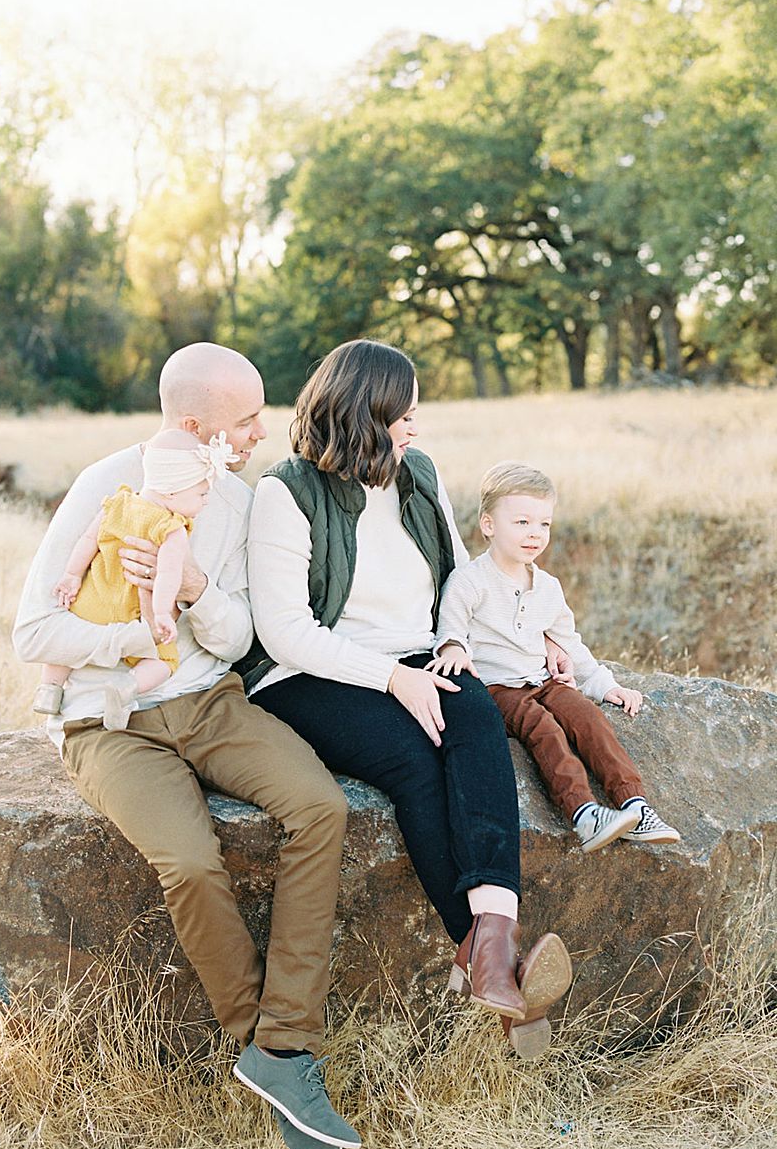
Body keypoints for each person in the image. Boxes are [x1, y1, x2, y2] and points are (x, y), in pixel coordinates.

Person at [15, 343, 361, 1149]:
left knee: (321, 806)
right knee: (192, 860)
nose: (261, 431)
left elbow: (239, 636)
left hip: (211, 703)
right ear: (196, 425)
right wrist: (140, 635)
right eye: (247, 420)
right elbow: (35, 629)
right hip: (111, 719)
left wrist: (198, 589)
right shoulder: (105, 484)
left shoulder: (237, 499)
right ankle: (265, 1042)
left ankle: (282, 1045)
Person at [241, 338, 571, 1061]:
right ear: (366, 411)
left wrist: (530, 633)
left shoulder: (417, 473)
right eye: (406, 412)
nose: (416, 427)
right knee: (413, 760)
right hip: (309, 673)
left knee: (476, 715)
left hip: (418, 652)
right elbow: (285, 630)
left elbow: (462, 577)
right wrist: (393, 678)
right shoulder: (286, 491)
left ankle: (491, 948)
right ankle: (499, 969)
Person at [430, 461, 681, 853]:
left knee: (587, 716)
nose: (535, 534)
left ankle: (635, 804)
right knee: (543, 730)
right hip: (497, 689)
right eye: (522, 522)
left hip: (542, 680)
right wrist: (454, 649)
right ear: (489, 524)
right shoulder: (469, 581)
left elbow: (569, 642)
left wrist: (605, 685)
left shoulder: (548, 587)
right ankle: (585, 814)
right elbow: (450, 630)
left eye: (544, 524)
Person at [33, 427, 240, 728]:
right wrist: (159, 614)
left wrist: (71, 576)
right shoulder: (171, 529)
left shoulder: (118, 502)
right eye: (202, 493)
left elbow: (88, 541)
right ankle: (125, 688)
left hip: (94, 600)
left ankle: (50, 689)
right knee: (164, 662)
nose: (206, 500)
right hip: (135, 614)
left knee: (65, 649)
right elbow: (168, 575)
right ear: (172, 490)